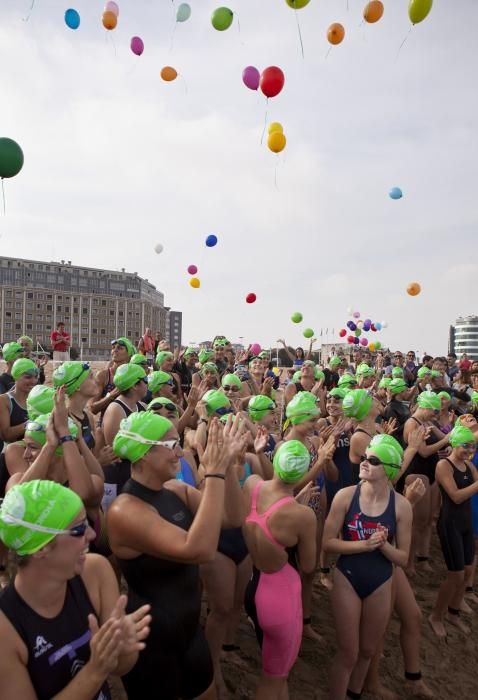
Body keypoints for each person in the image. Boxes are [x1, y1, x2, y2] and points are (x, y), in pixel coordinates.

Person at [106, 412, 247, 700]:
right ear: (143, 453)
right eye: (171, 444)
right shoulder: (125, 510)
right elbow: (200, 550)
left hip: (190, 633)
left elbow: (233, 517)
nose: (180, 453)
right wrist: (214, 473)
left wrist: (228, 465)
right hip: (151, 643)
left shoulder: (176, 490)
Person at [0, 479, 151, 699]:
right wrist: (95, 670)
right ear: (42, 548)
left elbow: (120, 667)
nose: (91, 534)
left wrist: (123, 649)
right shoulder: (6, 628)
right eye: (79, 529)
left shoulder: (96, 572)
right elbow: (101, 669)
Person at [323, 434, 413, 700]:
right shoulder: (345, 496)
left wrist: (383, 546)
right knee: (348, 652)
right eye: (364, 458)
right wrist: (364, 545)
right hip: (347, 577)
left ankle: (354, 693)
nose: (364, 463)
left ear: (388, 470)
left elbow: (404, 558)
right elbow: (327, 543)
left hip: (381, 581)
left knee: (367, 651)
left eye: (373, 460)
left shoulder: (402, 506)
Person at [242, 441, 317, 700]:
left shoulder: (252, 485)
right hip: (279, 598)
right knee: (272, 679)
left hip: (253, 586)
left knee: (275, 670)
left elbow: (266, 522)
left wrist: (295, 505)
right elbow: (309, 566)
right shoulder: (303, 516)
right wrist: (301, 512)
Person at [429, 425, 478, 637]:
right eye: (465, 446)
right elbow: (456, 496)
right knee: (455, 575)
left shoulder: (468, 466)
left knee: (467, 572)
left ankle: (453, 613)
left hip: (466, 523)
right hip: (450, 525)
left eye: (472, 446)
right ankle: (436, 616)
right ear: (454, 444)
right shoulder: (444, 465)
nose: (469, 450)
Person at [89, 337, 136, 418]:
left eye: (120, 348)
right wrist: (111, 395)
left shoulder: (135, 375)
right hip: (108, 425)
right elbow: (92, 407)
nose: (115, 350)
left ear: (129, 355)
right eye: (113, 348)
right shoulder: (103, 375)